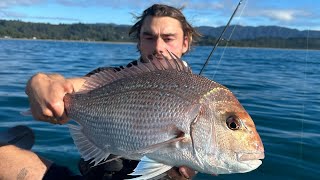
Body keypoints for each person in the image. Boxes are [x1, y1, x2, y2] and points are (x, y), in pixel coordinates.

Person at [0, 3, 201, 180]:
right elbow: (66, 86)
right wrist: (40, 82)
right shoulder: (110, 80)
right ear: (139, 42)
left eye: (168, 38)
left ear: (185, 42)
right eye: (149, 37)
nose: (158, 47)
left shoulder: (203, 97)